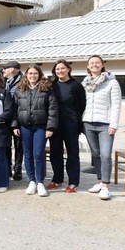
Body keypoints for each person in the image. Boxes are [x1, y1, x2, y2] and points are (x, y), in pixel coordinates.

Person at [12, 65, 58, 197]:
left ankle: (40, 182)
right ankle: (31, 181)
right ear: (26, 75)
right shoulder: (20, 89)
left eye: (35, 74)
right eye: (30, 73)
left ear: (39, 75)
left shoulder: (46, 89)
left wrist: (50, 127)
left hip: (40, 127)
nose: (32, 76)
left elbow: (53, 109)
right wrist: (15, 126)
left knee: (38, 154)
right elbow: (15, 110)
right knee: (27, 154)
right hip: (24, 127)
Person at [82, 55, 121, 200]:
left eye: (97, 62)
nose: (94, 65)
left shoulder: (112, 82)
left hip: (105, 124)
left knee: (105, 155)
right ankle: (99, 182)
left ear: (102, 64)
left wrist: (113, 124)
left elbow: (116, 105)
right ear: (88, 66)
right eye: (91, 63)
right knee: (96, 154)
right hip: (88, 123)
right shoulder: (84, 83)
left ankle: (105, 186)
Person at [49, 59, 86, 192]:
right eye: (57, 69)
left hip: (71, 124)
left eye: (62, 68)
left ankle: (73, 182)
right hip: (55, 124)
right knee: (55, 152)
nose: (60, 71)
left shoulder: (76, 85)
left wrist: (79, 125)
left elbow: (82, 106)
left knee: (72, 153)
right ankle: (57, 179)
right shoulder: (52, 85)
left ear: (68, 69)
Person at [3, 61, 24, 181]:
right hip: (6, 118)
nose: (3, 71)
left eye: (5, 68)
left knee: (18, 146)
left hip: (19, 118)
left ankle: (18, 170)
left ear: (12, 69)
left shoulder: (22, 82)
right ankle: (7, 169)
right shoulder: (4, 81)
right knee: (6, 145)